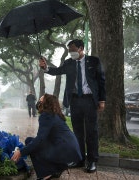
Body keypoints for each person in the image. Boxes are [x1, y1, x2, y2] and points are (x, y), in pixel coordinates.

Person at [39, 39, 106, 173]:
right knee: (77, 132)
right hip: (75, 100)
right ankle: (79, 159)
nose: (71, 53)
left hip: (89, 100)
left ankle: (92, 160)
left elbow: (101, 80)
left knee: (91, 131)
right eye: (69, 50)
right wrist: (45, 67)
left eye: (73, 50)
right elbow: (57, 71)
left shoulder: (93, 61)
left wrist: (102, 100)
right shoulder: (69, 63)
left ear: (81, 48)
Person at [11, 94, 82, 180]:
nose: (38, 104)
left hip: (64, 152)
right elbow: (44, 137)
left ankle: (46, 174)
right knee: (31, 141)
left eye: (40, 102)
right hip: (71, 151)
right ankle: (57, 169)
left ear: (46, 104)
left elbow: (39, 140)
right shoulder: (55, 115)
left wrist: (21, 152)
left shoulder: (46, 116)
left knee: (31, 143)